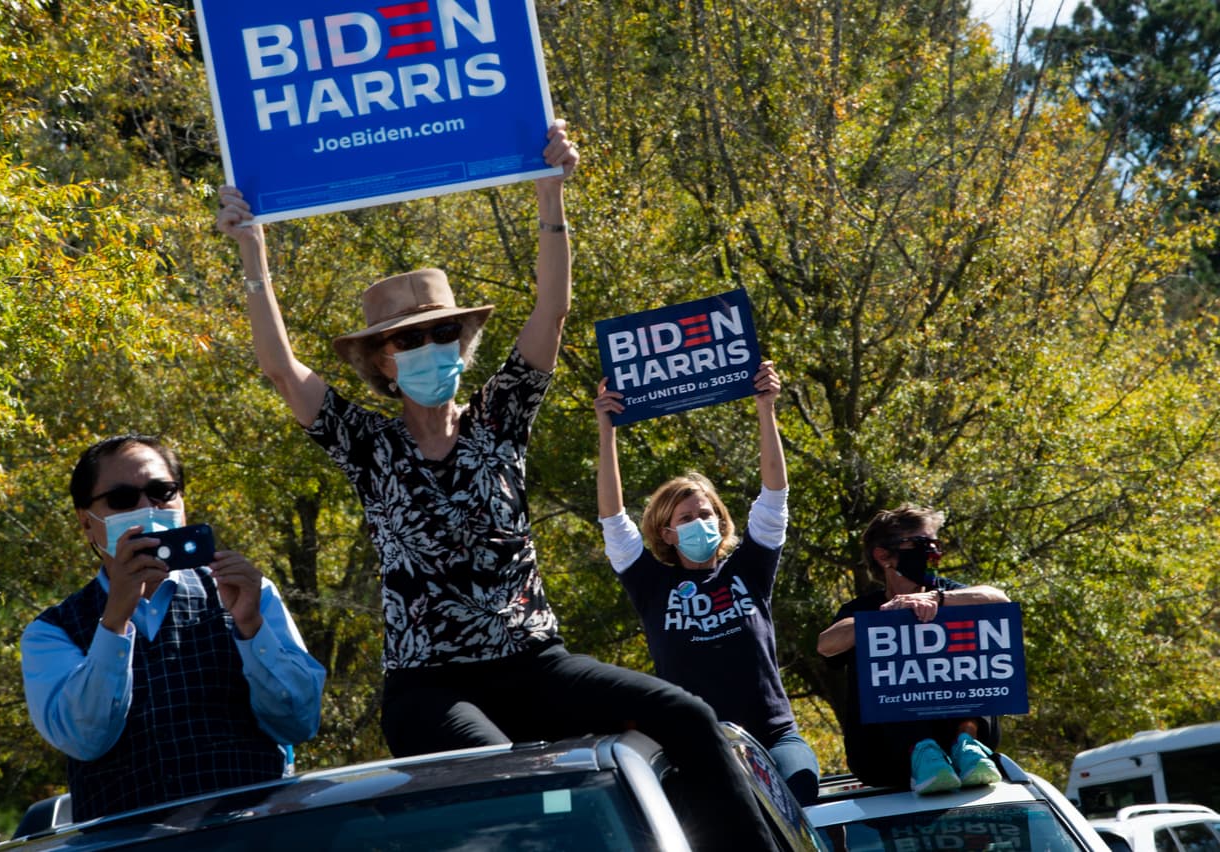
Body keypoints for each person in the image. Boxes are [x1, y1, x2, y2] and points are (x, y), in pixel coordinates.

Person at [216, 121, 781, 851]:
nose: (429, 349)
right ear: (382, 363)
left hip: (536, 664)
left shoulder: (500, 417)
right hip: (431, 688)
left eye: (442, 335)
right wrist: (253, 253)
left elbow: (552, 310)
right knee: (505, 779)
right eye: (409, 340)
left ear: (463, 345)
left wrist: (550, 193)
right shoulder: (370, 445)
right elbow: (280, 370)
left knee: (690, 718)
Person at [21, 435, 326, 821]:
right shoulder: (51, 632)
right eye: (122, 499)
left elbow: (299, 721)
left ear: (181, 501)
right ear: (87, 521)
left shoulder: (249, 592)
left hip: (250, 837)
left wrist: (251, 626)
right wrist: (114, 622)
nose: (147, 507)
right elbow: (85, 739)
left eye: (162, 491)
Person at [593, 363, 821, 805]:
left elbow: (775, 498)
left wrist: (766, 408)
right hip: (702, 747)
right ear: (666, 532)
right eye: (686, 518)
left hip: (776, 738)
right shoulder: (650, 584)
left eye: (706, 514)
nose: (699, 522)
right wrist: (607, 433)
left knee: (801, 794)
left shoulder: (749, 569)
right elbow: (613, 522)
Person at [816, 504, 1010, 793]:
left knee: (975, 664)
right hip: (884, 758)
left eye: (936, 544)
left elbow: (999, 601)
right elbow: (825, 646)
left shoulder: (951, 594)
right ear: (883, 556)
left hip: (966, 740)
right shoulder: (862, 609)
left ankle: (968, 747)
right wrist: (886, 616)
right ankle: (922, 753)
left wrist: (939, 599)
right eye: (922, 544)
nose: (933, 553)